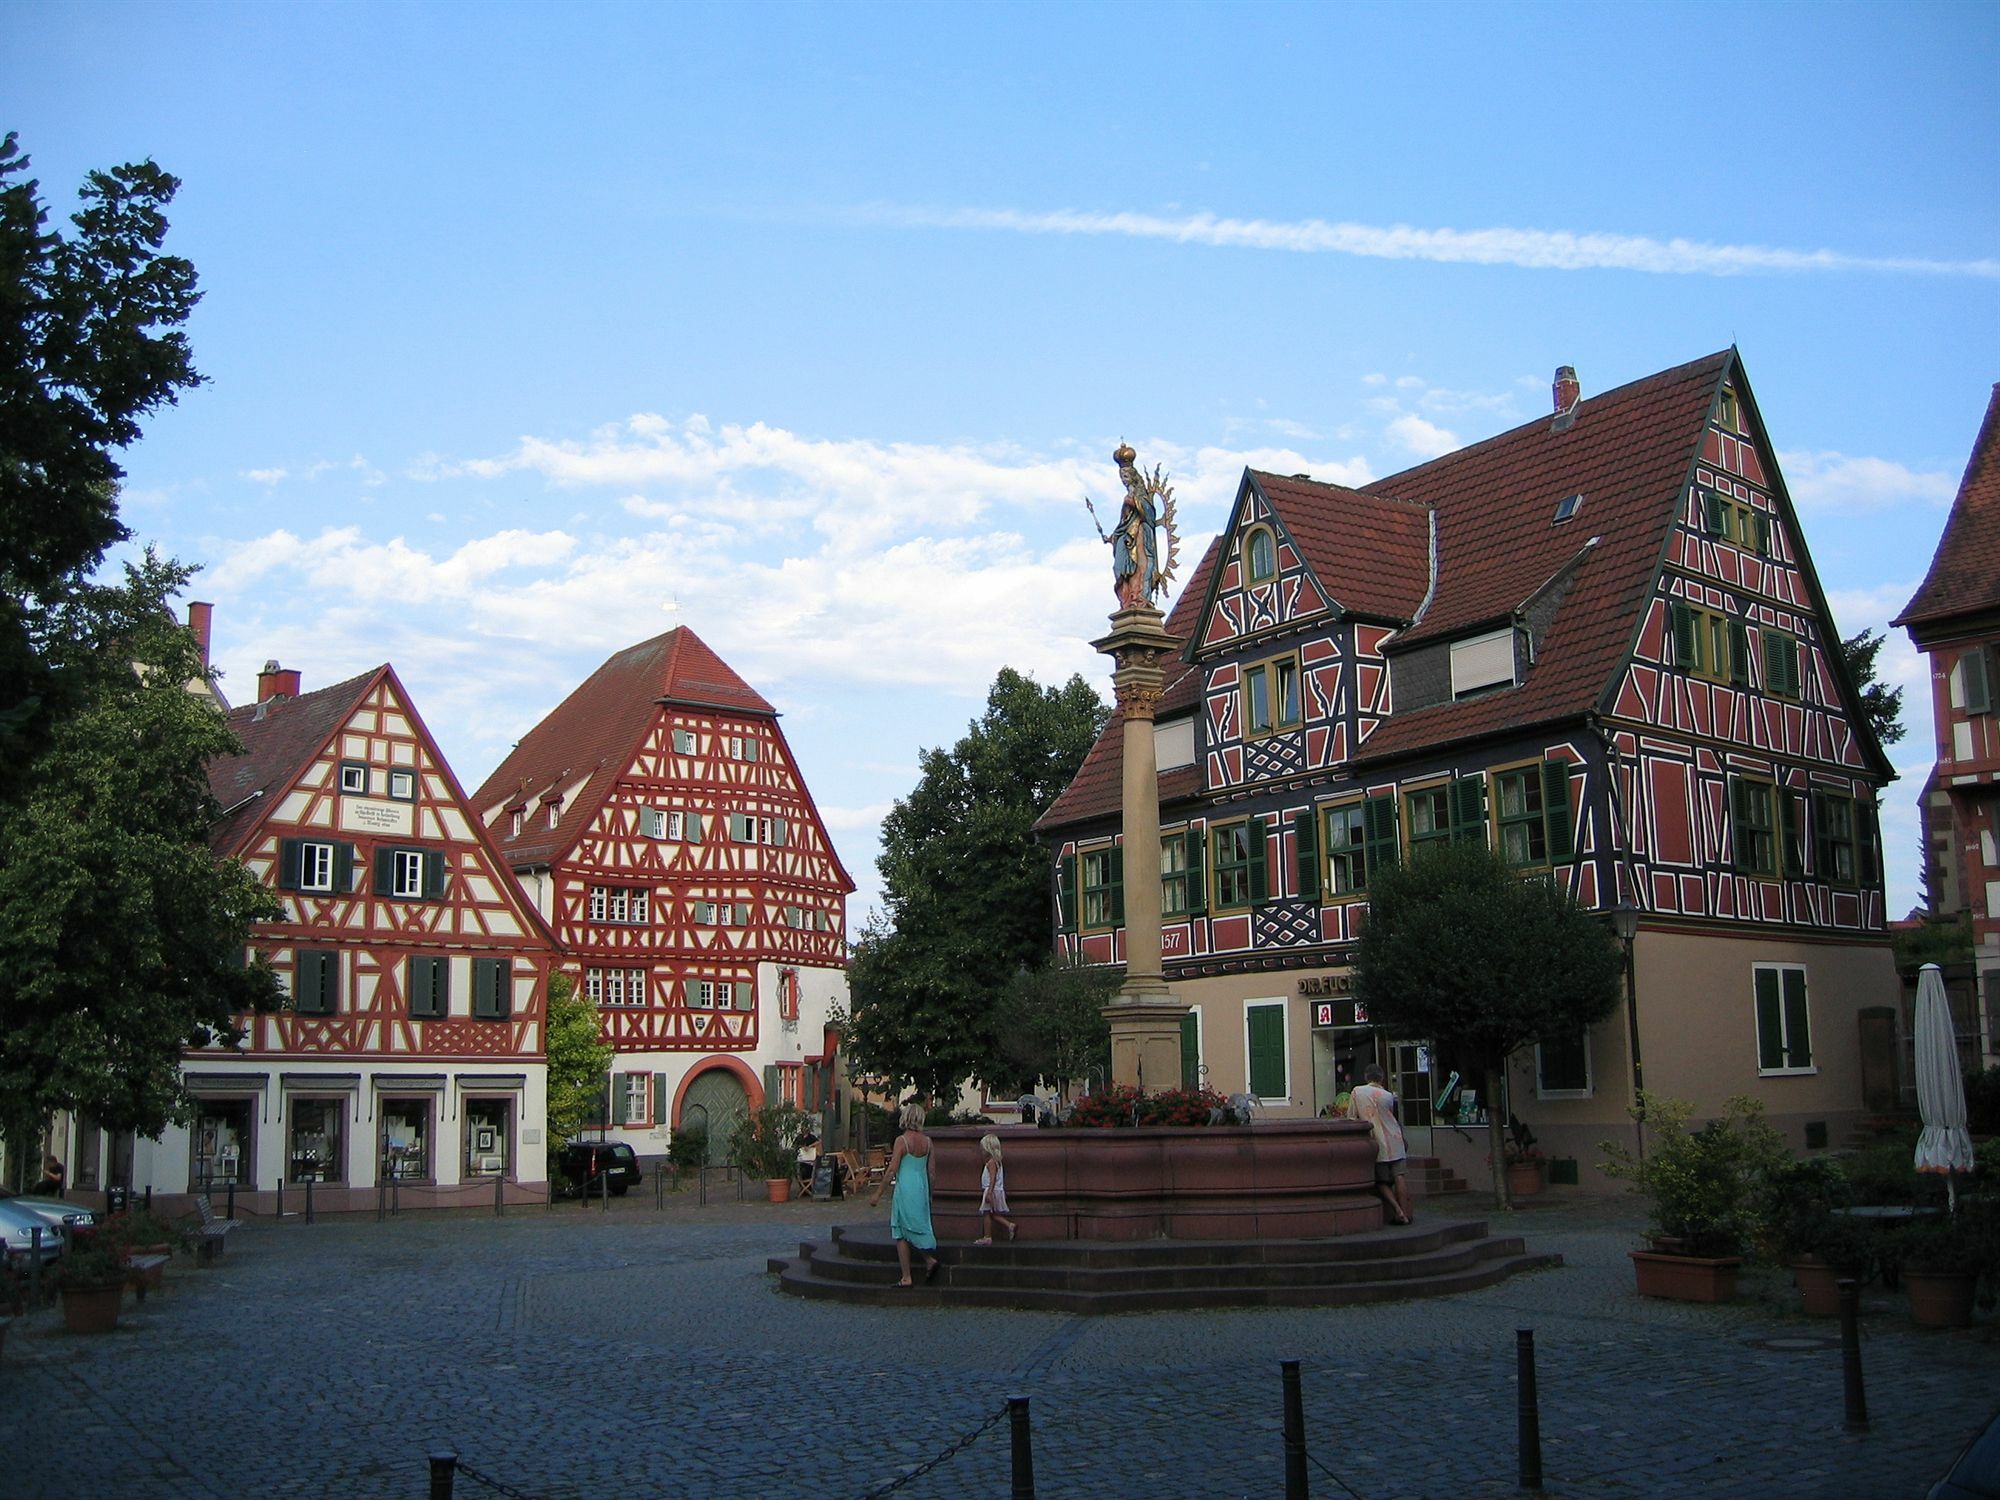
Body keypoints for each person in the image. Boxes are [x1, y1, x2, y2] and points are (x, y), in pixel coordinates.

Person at [868, 1102, 941, 1286]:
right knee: (916, 1223)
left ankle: (906, 1276)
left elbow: (892, 1170)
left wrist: (878, 1193)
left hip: (905, 1187)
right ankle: (927, 1260)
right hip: (921, 1187)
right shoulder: (928, 1142)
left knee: (900, 1229)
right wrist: (930, 1194)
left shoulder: (902, 1141)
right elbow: (932, 1172)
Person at [1348, 1064, 1413, 1226]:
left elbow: (1351, 1117)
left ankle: (1398, 1211)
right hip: (1395, 1138)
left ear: (1366, 1077)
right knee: (1399, 1176)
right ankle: (1406, 1213)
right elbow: (1391, 1117)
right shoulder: (1388, 1096)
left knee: (1381, 1181)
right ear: (1382, 1078)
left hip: (1377, 1141)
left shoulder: (1358, 1092)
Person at [973, 1133, 1017, 1245]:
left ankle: (987, 1236)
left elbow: (992, 1178)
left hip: (991, 1190)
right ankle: (1009, 1225)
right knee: (993, 1214)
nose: (981, 1152)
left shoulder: (991, 1163)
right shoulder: (997, 1162)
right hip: (996, 1190)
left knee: (987, 1213)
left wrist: (989, 1193)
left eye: (983, 1149)